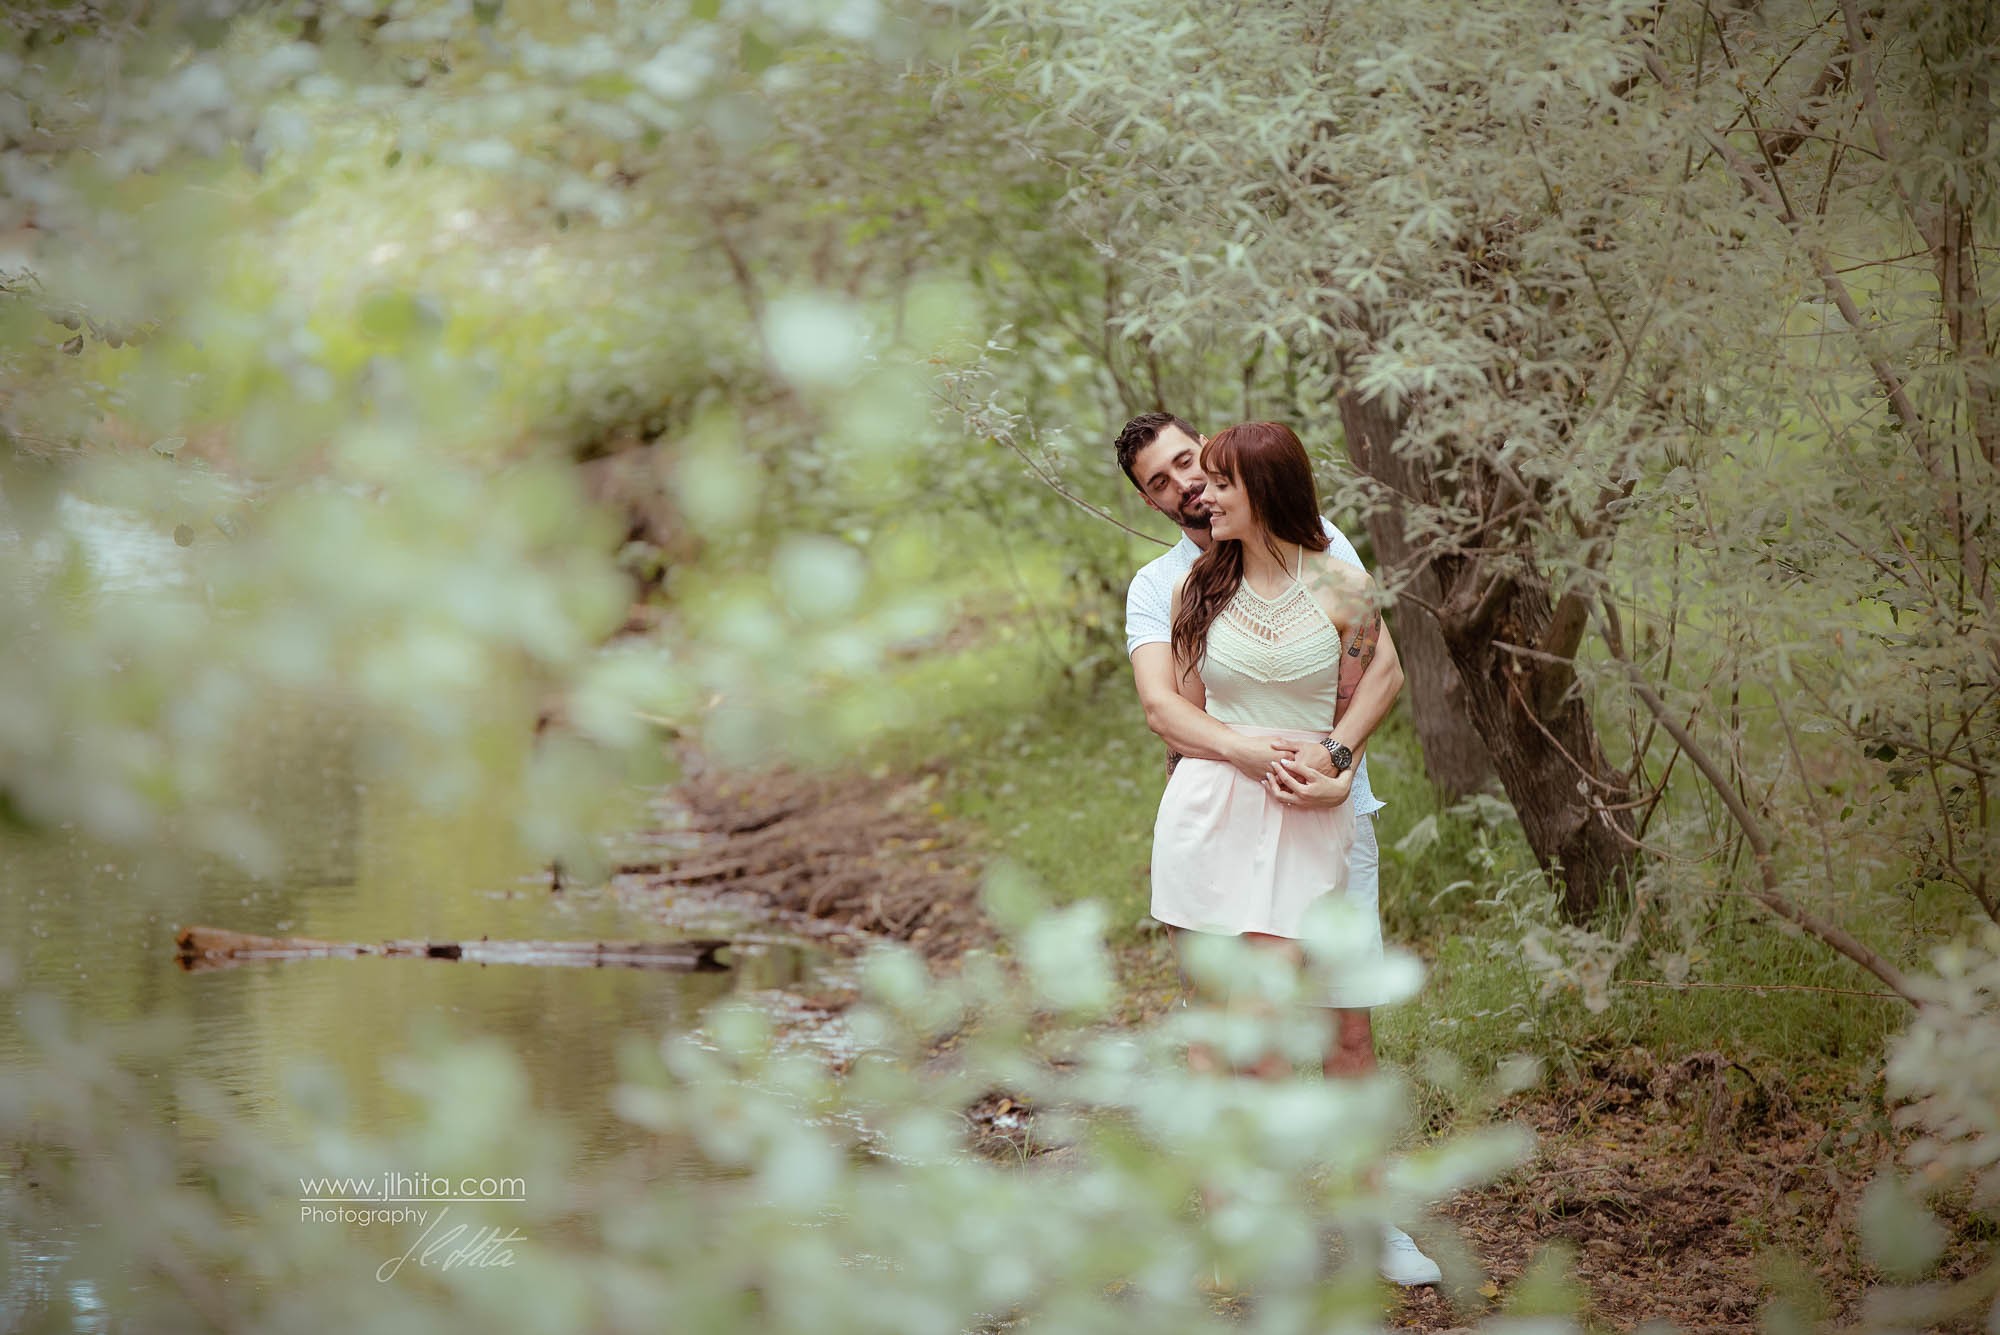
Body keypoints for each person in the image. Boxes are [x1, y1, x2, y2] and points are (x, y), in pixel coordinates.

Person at [1115, 413, 1440, 1288]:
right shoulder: (1172, 585)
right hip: (1219, 818)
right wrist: (1246, 752)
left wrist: (1337, 762)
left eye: (1194, 464)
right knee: (1233, 1025)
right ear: (1149, 500)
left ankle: (1371, 1222)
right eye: (1162, 481)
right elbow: (1170, 708)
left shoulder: (1328, 556)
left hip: (1325, 819)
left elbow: (1372, 677)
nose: (1188, 485)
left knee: (1344, 1027)